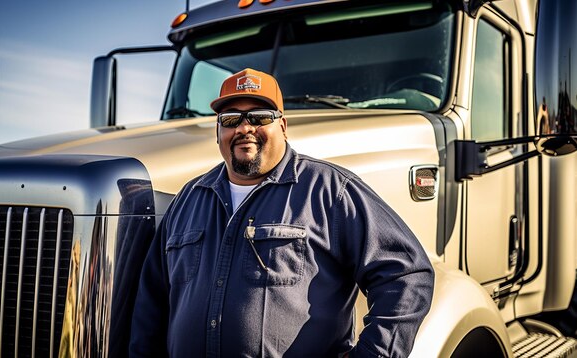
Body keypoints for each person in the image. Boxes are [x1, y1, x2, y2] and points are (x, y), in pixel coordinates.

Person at [130, 68, 434, 357]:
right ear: (218, 130)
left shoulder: (330, 190)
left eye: (260, 117)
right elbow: (151, 303)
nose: (244, 128)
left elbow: (407, 274)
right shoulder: (189, 198)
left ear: (283, 127)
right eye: (231, 119)